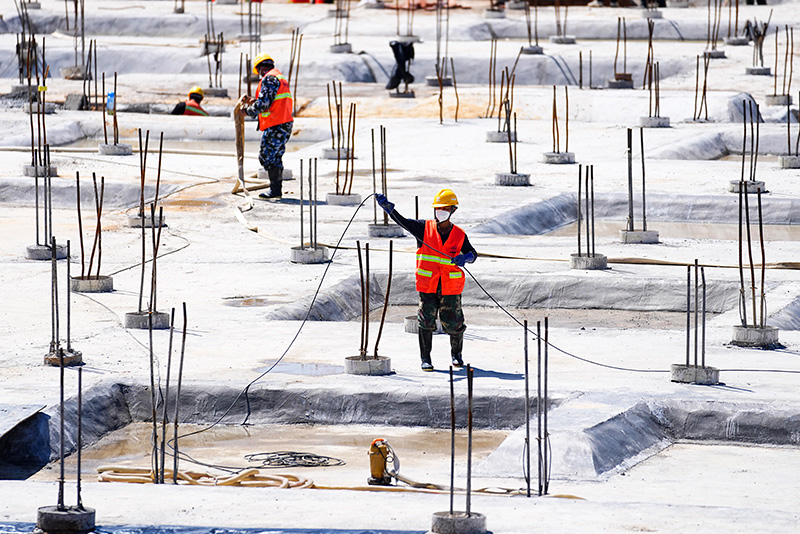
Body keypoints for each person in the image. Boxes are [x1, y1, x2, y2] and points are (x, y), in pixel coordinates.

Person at [376, 189, 477, 372]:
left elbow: (473, 254)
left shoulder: (459, 235)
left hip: (450, 288)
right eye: (437, 208)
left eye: (444, 208)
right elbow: (404, 223)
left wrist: (465, 258)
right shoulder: (424, 229)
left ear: (453, 210)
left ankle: (456, 355)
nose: (440, 212)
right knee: (426, 322)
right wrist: (390, 210)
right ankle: (426, 359)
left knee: (454, 324)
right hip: (428, 285)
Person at [238, 53, 294, 200]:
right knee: (275, 156)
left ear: (261, 68)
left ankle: (275, 190)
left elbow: (264, 104)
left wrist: (247, 111)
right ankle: (275, 190)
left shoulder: (269, 78)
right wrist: (253, 101)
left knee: (267, 157)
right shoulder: (278, 77)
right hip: (283, 122)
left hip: (276, 124)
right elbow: (271, 100)